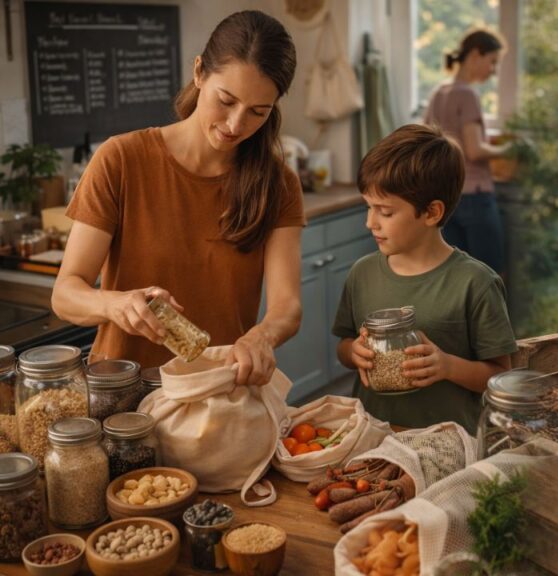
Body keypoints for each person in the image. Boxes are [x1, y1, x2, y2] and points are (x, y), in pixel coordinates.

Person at [52, 11, 304, 387]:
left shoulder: (279, 184)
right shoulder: (121, 159)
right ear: (199, 72)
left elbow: (287, 307)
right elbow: (65, 294)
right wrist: (116, 304)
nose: (236, 124)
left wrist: (262, 336)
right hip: (124, 390)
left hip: (218, 389)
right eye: (226, 100)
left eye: (258, 112)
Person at [333, 124, 518, 432]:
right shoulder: (361, 274)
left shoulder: (475, 283)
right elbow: (344, 345)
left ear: (432, 213)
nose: (370, 222)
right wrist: (354, 353)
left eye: (385, 212)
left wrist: (447, 366)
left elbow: (500, 376)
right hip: (373, 436)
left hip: (447, 443)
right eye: (368, 207)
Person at [422, 28, 511, 278]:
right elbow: (474, 150)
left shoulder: (438, 93)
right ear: (475, 55)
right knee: (491, 275)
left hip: (446, 197)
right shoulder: (467, 94)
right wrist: (508, 149)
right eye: (492, 61)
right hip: (475, 197)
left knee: (456, 276)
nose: (494, 70)